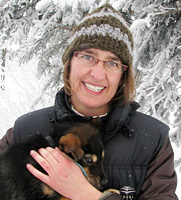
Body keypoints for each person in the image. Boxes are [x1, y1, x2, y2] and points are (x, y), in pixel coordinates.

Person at [0, 3, 178, 200]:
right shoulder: (24, 130)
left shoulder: (152, 140)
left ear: (122, 75)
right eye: (87, 56)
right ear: (69, 65)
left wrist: (87, 194)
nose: (98, 74)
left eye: (112, 63)